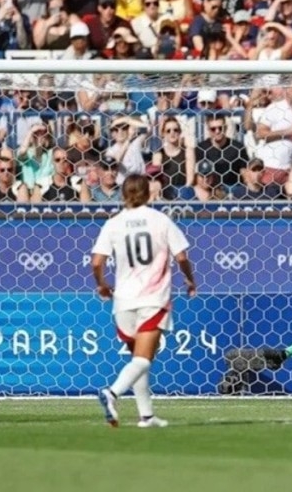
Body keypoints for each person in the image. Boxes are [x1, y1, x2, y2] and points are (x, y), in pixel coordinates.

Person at [90, 174, 196, 428]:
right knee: (144, 359)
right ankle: (111, 393)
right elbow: (181, 257)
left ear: (123, 194)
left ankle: (146, 416)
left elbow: (96, 261)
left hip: (123, 300)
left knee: (138, 359)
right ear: (149, 193)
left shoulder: (114, 224)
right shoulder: (160, 220)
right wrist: (190, 280)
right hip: (152, 298)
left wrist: (102, 285)